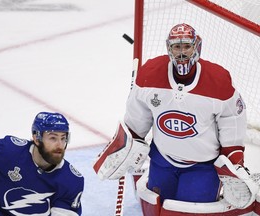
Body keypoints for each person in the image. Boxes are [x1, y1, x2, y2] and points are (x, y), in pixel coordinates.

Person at [94, 23, 259, 215]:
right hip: (161, 162)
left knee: (189, 212)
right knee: (155, 209)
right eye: (176, 47)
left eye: (186, 46)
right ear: (169, 48)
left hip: (202, 168)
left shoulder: (218, 81)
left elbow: (232, 119)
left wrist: (233, 158)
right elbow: (137, 120)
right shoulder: (150, 75)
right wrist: (127, 145)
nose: (181, 53)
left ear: (197, 47)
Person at [0, 112, 84, 215]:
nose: (60, 145)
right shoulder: (9, 151)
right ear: (36, 138)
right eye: (53, 138)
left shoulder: (71, 181)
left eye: (63, 138)